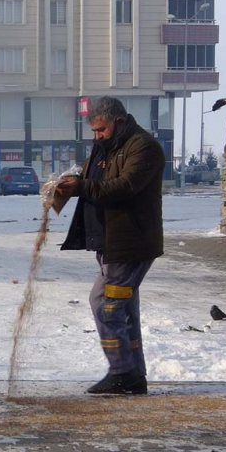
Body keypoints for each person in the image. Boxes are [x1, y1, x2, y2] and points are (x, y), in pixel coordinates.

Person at [55, 96, 165, 396]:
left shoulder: (144, 147)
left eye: (101, 129)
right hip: (110, 241)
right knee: (123, 309)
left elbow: (125, 186)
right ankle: (134, 376)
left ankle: (121, 372)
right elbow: (96, 180)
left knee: (104, 305)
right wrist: (73, 182)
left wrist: (82, 187)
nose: (97, 135)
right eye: (94, 131)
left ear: (117, 121)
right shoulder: (108, 147)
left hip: (131, 243)